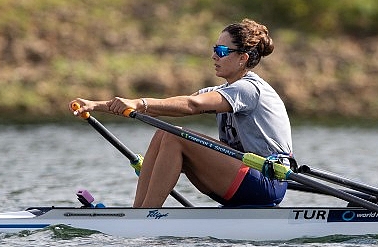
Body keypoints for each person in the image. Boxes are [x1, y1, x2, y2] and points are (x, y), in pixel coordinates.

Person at [70, 18, 292, 208]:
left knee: (176, 137)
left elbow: (193, 105)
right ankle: (139, 212)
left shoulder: (249, 88)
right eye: (214, 50)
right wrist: (96, 105)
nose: (214, 56)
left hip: (267, 181)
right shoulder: (224, 91)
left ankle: (145, 217)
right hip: (243, 177)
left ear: (242, 58)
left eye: (222, 51)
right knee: (163, 134)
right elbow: (176, 104)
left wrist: (139, 103)